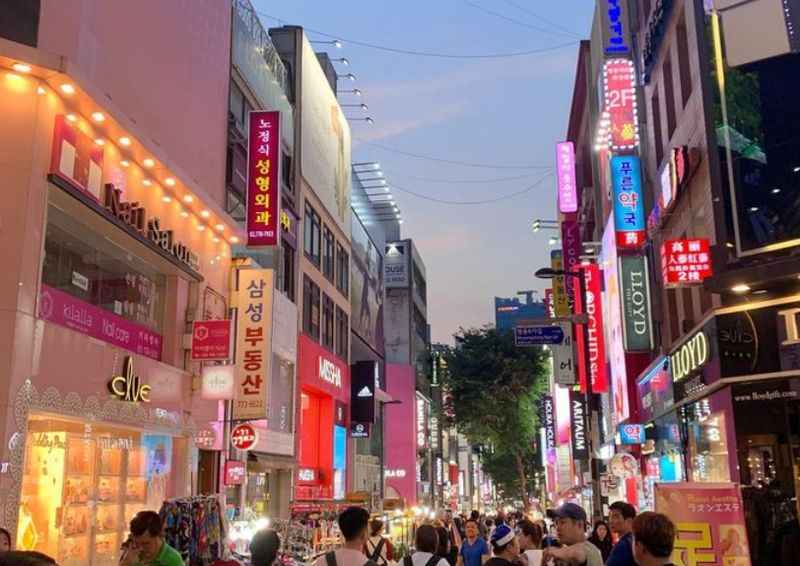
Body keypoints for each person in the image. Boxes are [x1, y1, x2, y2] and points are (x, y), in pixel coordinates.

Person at [606, 501, 637, 566]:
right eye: (610, 516)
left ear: (629, 521)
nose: (611, 521)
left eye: (616, 516)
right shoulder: (636, 540)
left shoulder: (622, 545)